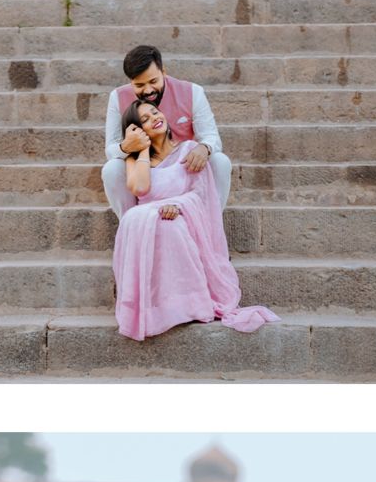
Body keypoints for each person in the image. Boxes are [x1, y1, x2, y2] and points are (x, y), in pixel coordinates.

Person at [112, 99, 279, 340]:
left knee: (172, 229)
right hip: (148, 222)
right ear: (137, 129)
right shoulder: (135, 160)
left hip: (182, 217)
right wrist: (142, 150)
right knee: (137, 219)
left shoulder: (189, 150)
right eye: (144, 120)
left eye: (155, 112)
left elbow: (200, 195)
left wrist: (178, 205)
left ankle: (186, 305)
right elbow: (140, 187)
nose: (154, 118)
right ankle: (154, 308)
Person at [102, 44, 232, 221]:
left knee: (221, 161)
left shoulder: (193, 92)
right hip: (145, 173)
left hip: (184, 172)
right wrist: (125, 147)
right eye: (139, 85)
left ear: (163, 71)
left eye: (153, 81)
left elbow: (211, 136)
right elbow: (111, 149)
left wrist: (204, 148)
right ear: (130, 80)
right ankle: (131, 224)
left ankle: (209, 224)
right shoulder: (117, 97)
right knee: (111, 169)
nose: (148, 90)